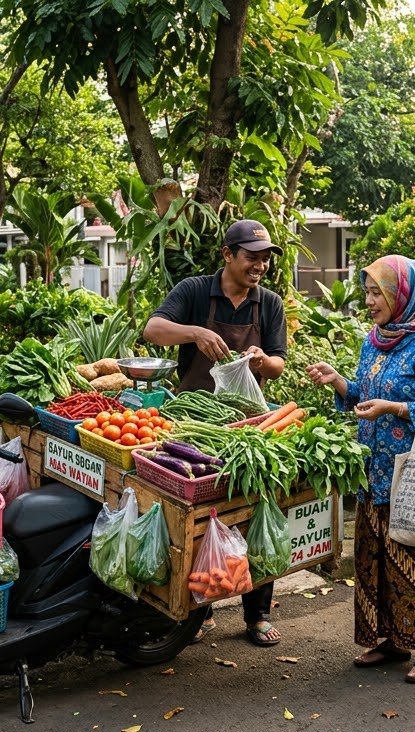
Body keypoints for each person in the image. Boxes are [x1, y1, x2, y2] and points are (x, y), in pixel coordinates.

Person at [306, 254, 415, 684]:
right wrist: (338, 382)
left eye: (378, 293)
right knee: (378, 560)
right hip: (373, 472)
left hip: (413, 472)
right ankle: (391, 639)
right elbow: (362, 394)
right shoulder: (375, 339)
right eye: (368, 292)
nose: (370, 301)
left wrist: (394, 408)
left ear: (403, 296)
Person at [143, 219, 288, 647]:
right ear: (228, 255)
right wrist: (195, 332)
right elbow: (152, 329)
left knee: (254, 513)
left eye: (264, 259)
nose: (259, 266)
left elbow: (280, 362)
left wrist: (262, 361)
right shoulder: (193, 291)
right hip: (195, 426)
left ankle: (257, 613)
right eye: (251, 257)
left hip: (247, 427)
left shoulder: (269, 304)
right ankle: (199, 609)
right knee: (202, 520)